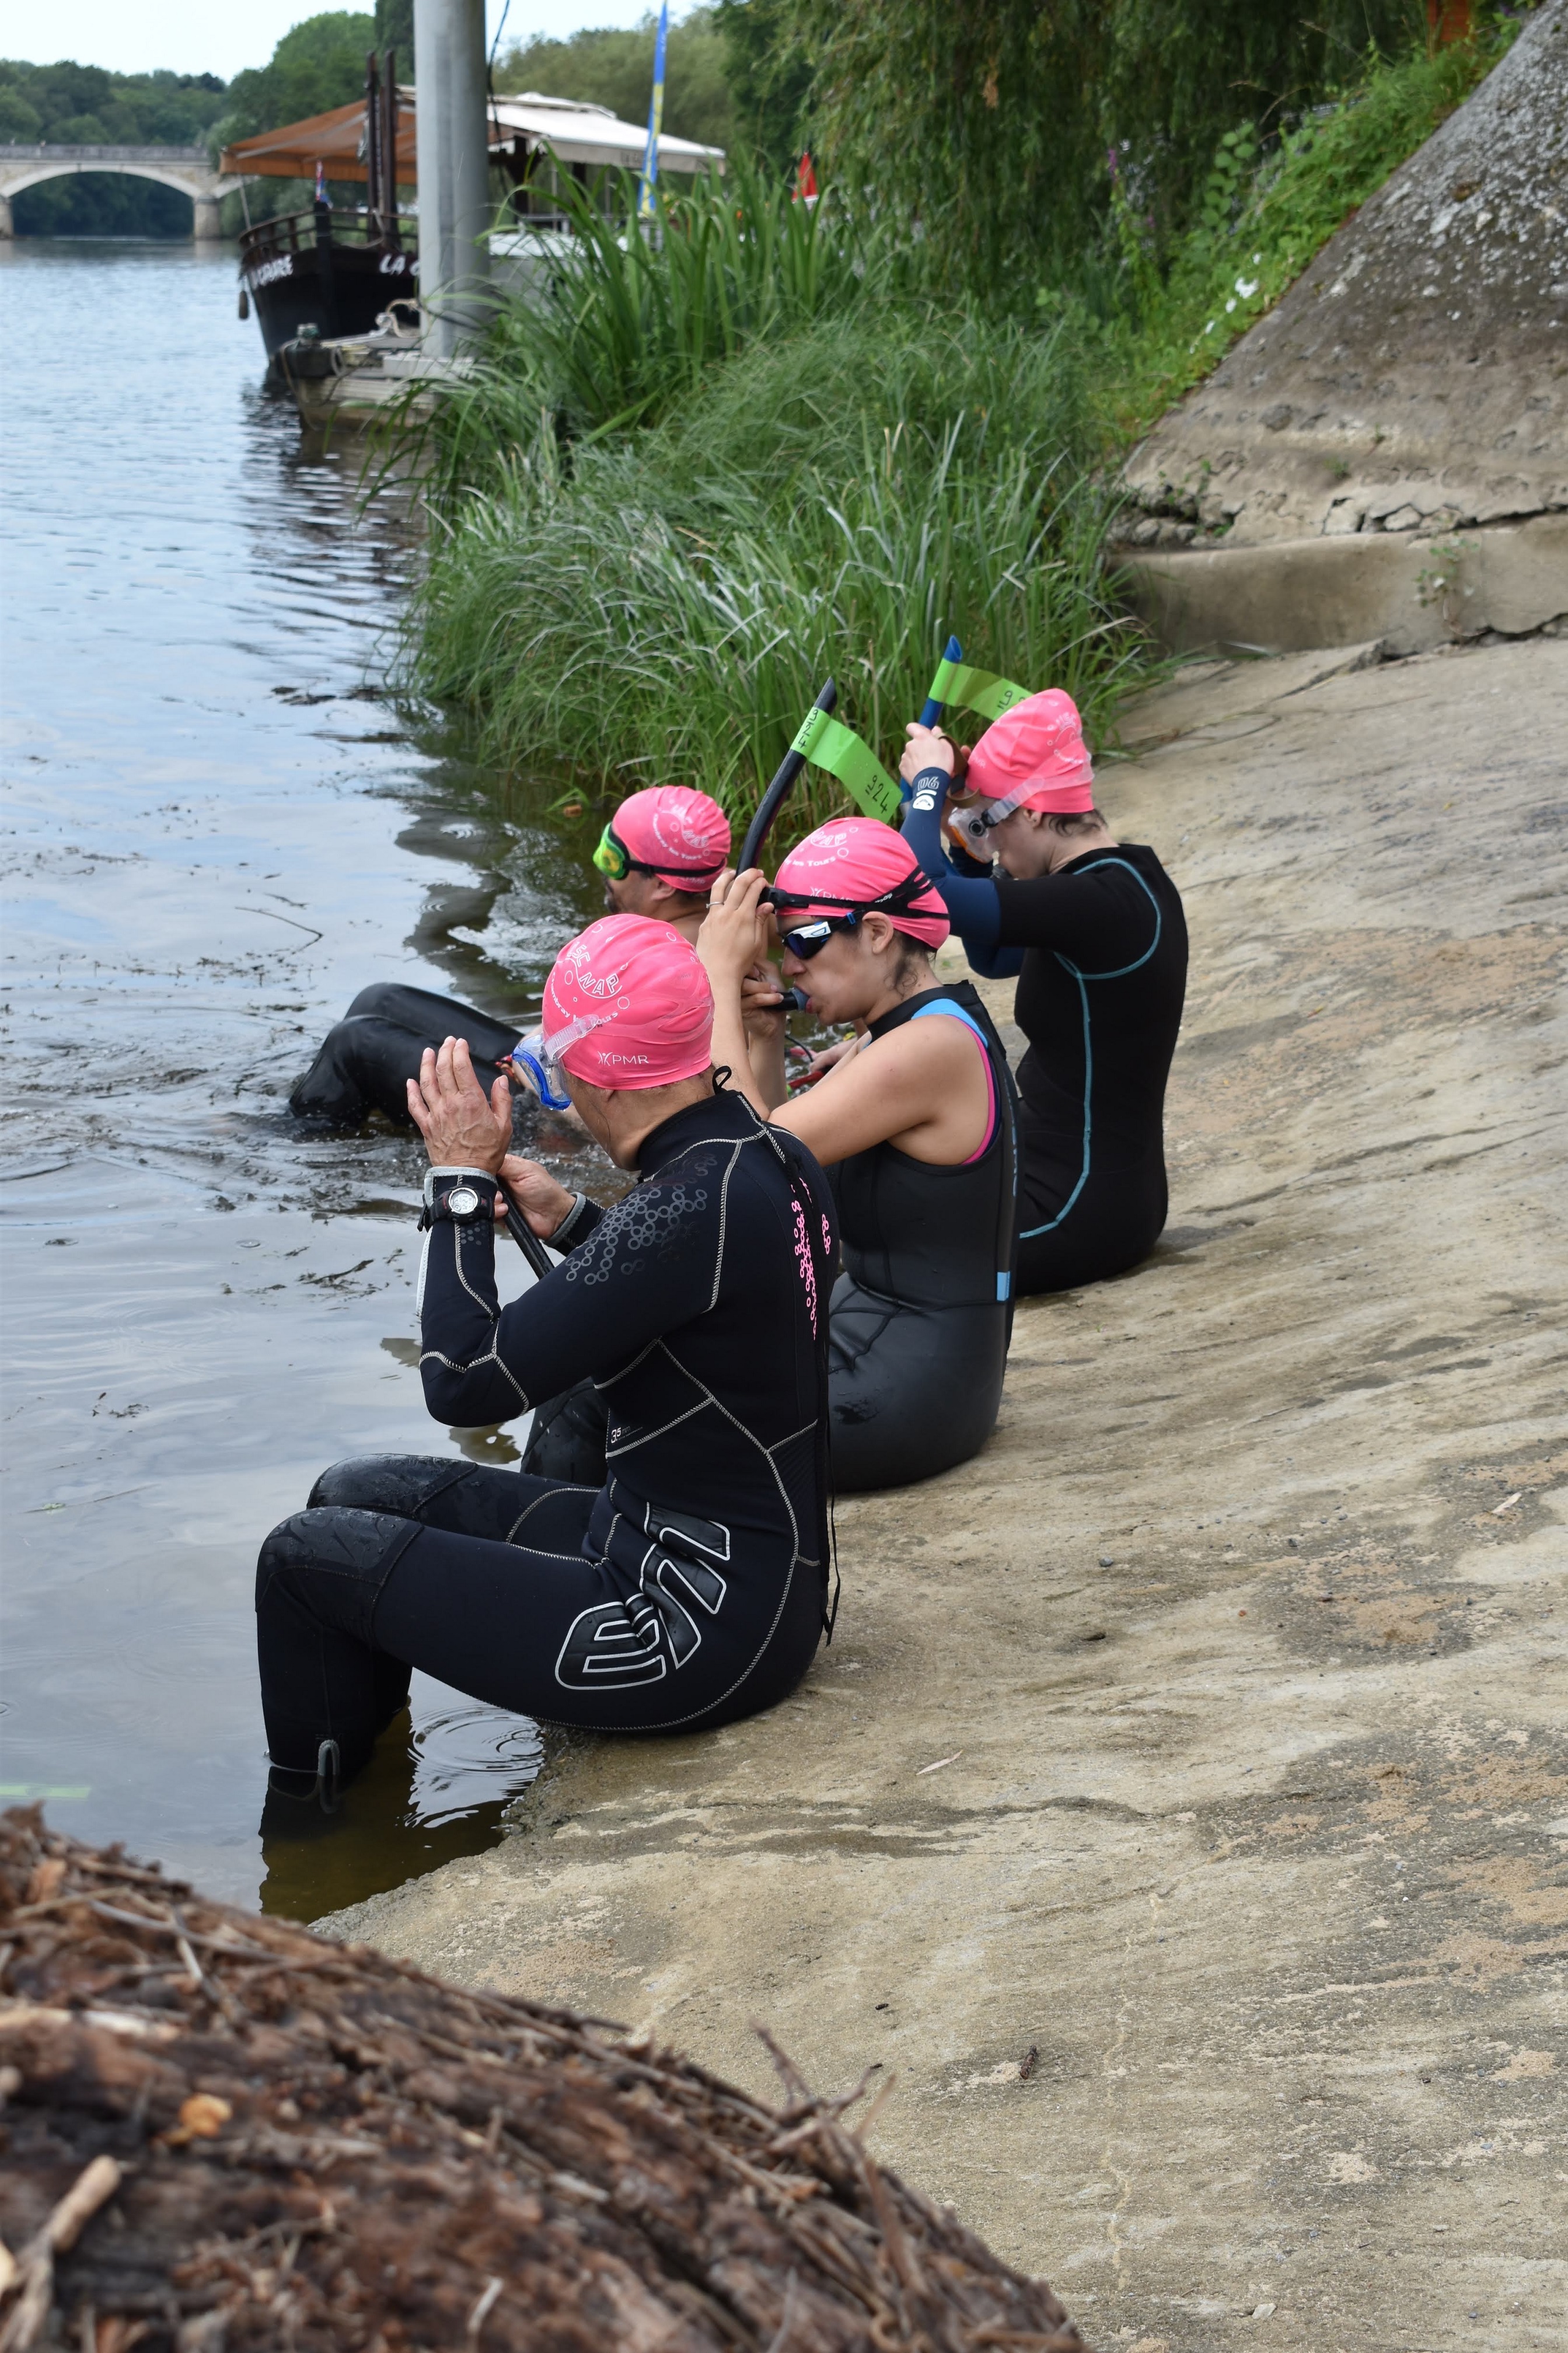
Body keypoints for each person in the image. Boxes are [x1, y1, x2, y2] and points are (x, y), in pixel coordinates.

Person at [256, 913, 839, 1810]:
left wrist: (454, 1185)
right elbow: (706, 1314)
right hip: (733, 1577)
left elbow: (461, 1380)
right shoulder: (768, 1156)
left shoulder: (685, 1208)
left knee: (302, 1560)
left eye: (556, 1070)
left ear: (594, 1073)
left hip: (688, 1629)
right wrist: (570, 1221)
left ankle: (314, 1839)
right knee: (351, 1494)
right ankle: (375, 1784)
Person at [699, 818, 1018, 1494]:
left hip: (907, 1394)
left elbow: (741, 1157)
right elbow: (778, 1143)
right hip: (882, 1351)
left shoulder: (926, 1050)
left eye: (804, 942)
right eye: (783, 948)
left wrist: (717, 981)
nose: (789, 966)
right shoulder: (900, 1032)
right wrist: (762, 1032)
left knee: (614, 1412)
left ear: (876, 932)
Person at [897, 690, 1187, 1297]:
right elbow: (993, 954)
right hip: (1086, 1190)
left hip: (1072, 1213)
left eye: (991, 824)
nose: (992, 843)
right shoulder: (1116, 885)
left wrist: (925, 782)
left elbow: (923, 889)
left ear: (1030, 812)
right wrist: (964, 834)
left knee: (869, 1244)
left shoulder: (1095, 904)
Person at [287, 785, 733, 1124]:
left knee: (355, 1044)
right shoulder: (718, 929)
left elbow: (645, 1099)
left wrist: (536, 1083)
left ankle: (288, 1145)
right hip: (549, 1075)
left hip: (555, 1122)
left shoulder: (673, 961)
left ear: (663, 884)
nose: (603, 874)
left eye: (613, 860)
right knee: (377, 1000)